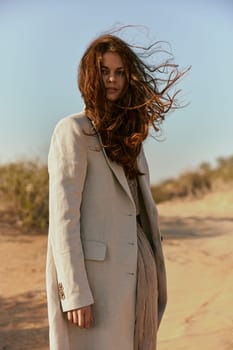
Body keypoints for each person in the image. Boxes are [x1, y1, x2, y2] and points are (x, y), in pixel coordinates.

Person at [46, 32, 187, 350]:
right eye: (104, 71)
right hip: (96, 282)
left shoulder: (131, 137)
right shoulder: (73, 131)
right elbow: (63, 217)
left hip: (138, 270)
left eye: (120, 72)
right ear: (90, 76)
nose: (112, 79)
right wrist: (75, 290)